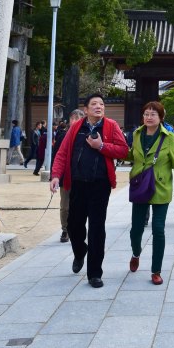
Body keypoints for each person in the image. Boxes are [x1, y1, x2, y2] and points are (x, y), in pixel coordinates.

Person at [50, 93, 128, 288]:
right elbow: (63, 153)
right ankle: (80, 251)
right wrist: (56, 175)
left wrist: (101, 146)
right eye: (94, 104)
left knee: (96, 228)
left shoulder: (111, 126)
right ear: (86, 109)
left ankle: (94, 273)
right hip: (77, 183)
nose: (99, 106)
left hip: (100, 184)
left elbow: (123, 150)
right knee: (73, 225)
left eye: (101, 104)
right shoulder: (76, 127)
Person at [129, 101, 174, 285]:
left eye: (153, 114)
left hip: (160, 188)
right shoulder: (137, 134)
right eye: (146, 114)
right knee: (136, 229)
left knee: (158, 229)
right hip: (140, 185)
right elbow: (131, 155)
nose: (149, 117)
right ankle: (136, 253)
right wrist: (105, 148)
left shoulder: (169, 137)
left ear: (161, 117)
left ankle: (156, 270)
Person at [52, 109, 85, 242]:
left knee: (79, 205)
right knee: (65, 206)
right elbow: (57, 156)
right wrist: (55, 175)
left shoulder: (85, 135)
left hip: (81, 177)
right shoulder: (62, 136)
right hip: (66, 177)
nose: (75, 121)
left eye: (78, 119)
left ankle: (77, 228)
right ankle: (65, 229)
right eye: (73, 118)